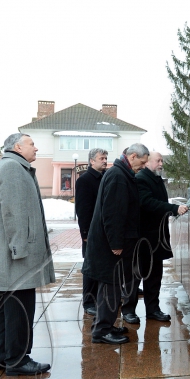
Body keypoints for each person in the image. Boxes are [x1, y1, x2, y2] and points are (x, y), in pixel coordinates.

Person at [0, 133, 54, 375]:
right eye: (32, 144)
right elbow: (15, 214)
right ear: (18, 147)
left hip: (12, 255)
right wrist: (20, 249)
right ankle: (18, 360)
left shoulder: (11, 166)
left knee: (7, 309)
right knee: (19, 310)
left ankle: (0, 358)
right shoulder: (13, 168)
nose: (36, 147)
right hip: (17, 257)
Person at [82, 143, 150, 344]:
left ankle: (105, 325)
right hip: (110, 245)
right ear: (133, 156)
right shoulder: (119, 176)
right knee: (110, 288)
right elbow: (113, 214)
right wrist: (116, 243)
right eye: (142, 162)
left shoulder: (120, 173)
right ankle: (102, 331)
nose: (143, 167)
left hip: (110, 244)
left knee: (110, 287)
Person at [121, 152, 188, 324]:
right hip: (142, 238)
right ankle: (128, 310)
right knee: (135, 277)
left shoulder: (156, 178)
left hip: (156, 239)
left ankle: (153, 309)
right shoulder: (142, 178)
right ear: (148, 162)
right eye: (158, 161)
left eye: (162, 161)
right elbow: (147, 202)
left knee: (154, 277)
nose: (161, 164)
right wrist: (174, 208)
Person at [74, 148, 108, 316]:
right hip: (91, 233)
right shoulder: (85, 180)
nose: (104, 160)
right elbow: (82, 209)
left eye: (106, 158)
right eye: (101, 158)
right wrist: (85, 234)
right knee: (89, 269)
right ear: (91, 161)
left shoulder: (105, 177)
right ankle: (88, 302)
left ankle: (100, 299)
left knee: (100, 267)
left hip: (104, 232)